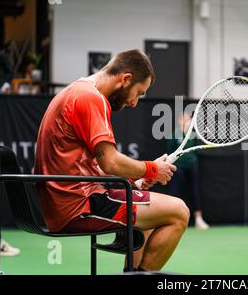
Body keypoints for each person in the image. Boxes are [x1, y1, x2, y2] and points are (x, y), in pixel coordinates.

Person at [34, 49, 189, 272]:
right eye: (138, 92)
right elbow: (110, 162)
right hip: (77, 205)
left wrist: (135, 178)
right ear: (125, 79)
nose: (135, 102)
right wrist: (152, 169)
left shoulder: (76, 90)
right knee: (179, 212)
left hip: (66, 199)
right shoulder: (90, 98)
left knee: (147, 207)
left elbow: (92, 166)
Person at [167, 112, 210, 230]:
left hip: (192, 165)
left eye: (188, 119)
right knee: (174, 191)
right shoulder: (174, 135)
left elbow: (195, 149)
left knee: (194, 191)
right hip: (178, 166)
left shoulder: (193, 135)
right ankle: (168, 217)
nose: (186, 121)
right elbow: (170, 150)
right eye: (184, 119)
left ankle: (198, 219)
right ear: (180, 120)